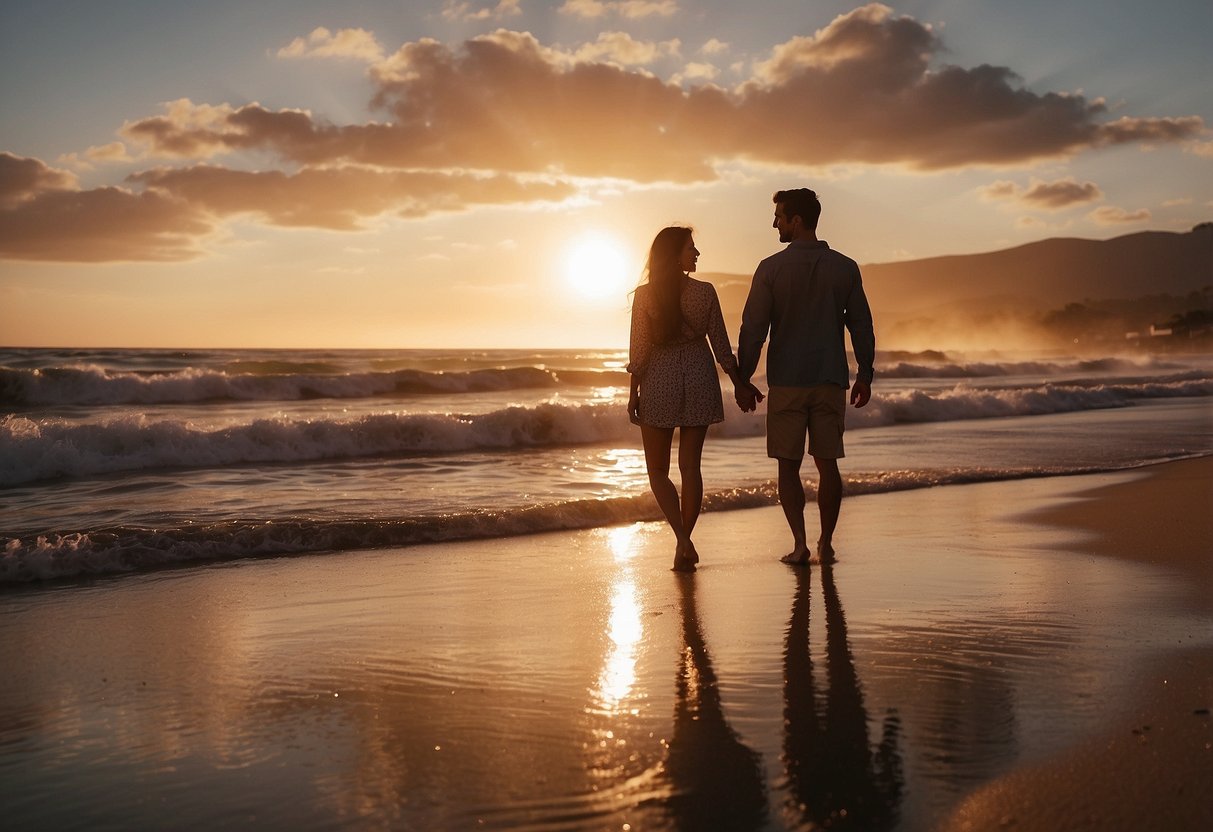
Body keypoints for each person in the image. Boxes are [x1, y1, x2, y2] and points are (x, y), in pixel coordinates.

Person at [737, 189, 875, 566]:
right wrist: (865, 372)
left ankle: (800, 544)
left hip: (787, 381)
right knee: (828, 463)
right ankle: (826, 543)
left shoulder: (770, 268)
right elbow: (861, 325)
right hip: (830, 377)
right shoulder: (845, 266)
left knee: (788, 464)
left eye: (779, 216)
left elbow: (754, 330)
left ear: (796, 221)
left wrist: (743, 378)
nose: (774, 223)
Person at [628, 226, 762, 572]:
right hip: (700, 379)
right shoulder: (705, 293)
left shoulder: (645, 296)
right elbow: (721, 345)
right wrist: (738, 383)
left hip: (659, 380)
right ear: (673, 255)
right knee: (691, 468)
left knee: (657, 470)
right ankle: (684, 543)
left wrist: (633, 393)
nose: (697, 253)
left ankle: (683, 541)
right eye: (691, 248)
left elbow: (639, 353)